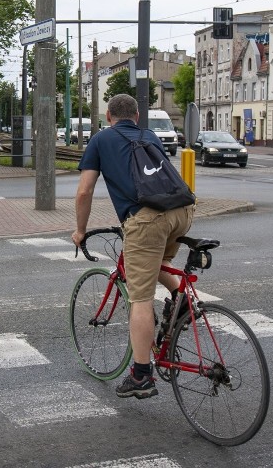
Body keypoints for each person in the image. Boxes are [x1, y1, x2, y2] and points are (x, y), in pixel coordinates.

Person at [71, 94, 194, 399]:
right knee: (154, 264)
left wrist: (80, 230)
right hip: (182, 212)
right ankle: (183, 297)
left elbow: (84, 191)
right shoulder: (148, 134)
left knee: (140, 297)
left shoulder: (101, 140)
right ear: (137, 117)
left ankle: (141, 375)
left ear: (108, 116)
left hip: (146, 219)